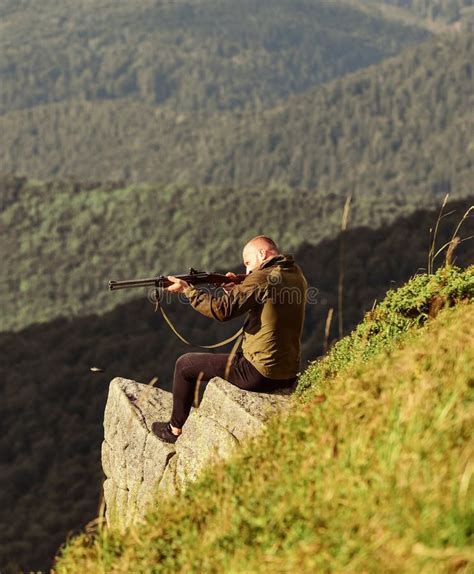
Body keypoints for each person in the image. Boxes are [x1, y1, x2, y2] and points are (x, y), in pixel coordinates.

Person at [151, 235, 308, 443]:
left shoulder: (261, 278)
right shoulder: (295, 273)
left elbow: (222, 310)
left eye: (248, 263)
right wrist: (239, 289)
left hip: (260, 372)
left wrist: (188, 291)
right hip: (287, 372)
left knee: (185, 364)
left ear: (262, 254)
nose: (247, 271)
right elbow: (267, 299)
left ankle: (174, 430)